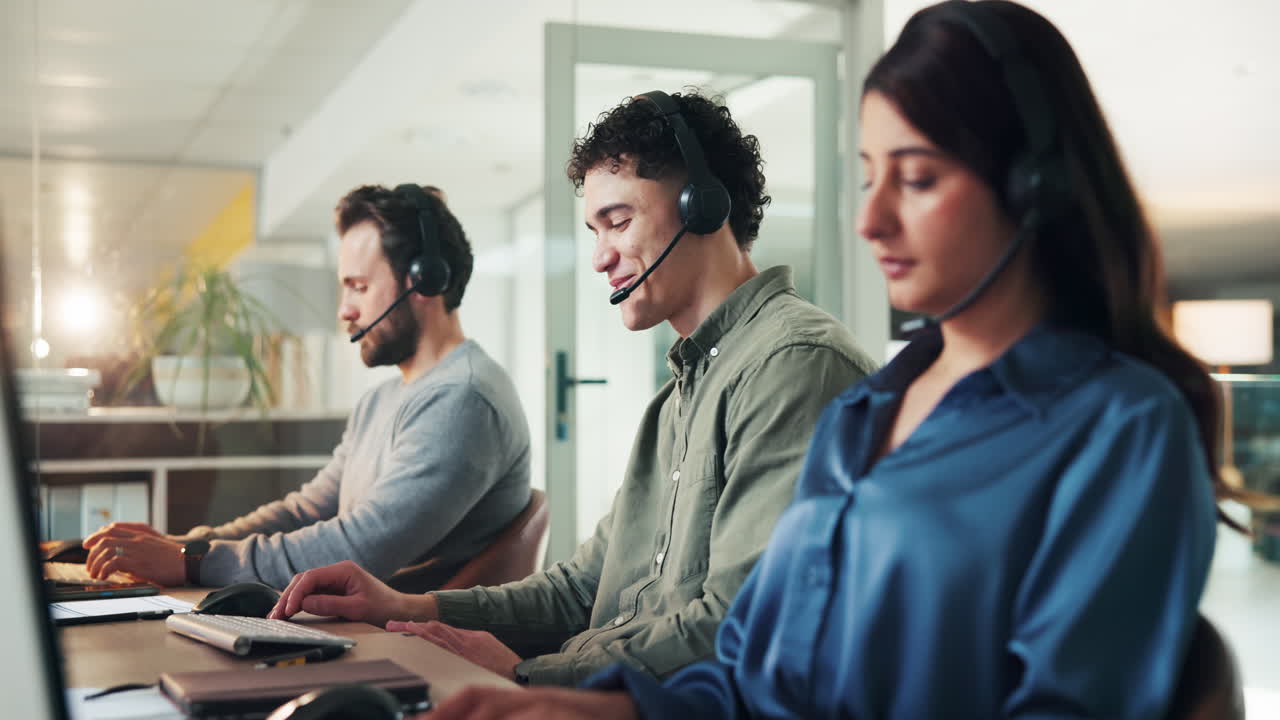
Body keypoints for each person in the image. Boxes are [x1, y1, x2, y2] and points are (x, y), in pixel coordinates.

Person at [425, 2, 1226, 717]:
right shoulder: (866, 416)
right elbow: (760, 669)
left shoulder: (1121, 426)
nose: (869, 220)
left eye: (915, 178)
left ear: (1034, 186)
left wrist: (542, 673)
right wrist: (604, 707)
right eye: (870, 177)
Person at [269, 89, 878, 687]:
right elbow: (582, 587)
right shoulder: (677, 400)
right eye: (594, 229)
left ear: (703, 206)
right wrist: (411, 608)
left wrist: (533, 676)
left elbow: (736, 624)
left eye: (618, 221)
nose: (600, 258)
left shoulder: (794, 367)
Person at [82, 184, 532, 591]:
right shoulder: (385, 399)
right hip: (362, 630)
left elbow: (360, 548)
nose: (344, 311)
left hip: (411, 649)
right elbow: (307, 511)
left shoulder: (464, 399)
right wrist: (188, 543)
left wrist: (190, 561)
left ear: (425, 280)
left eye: (358, 287)